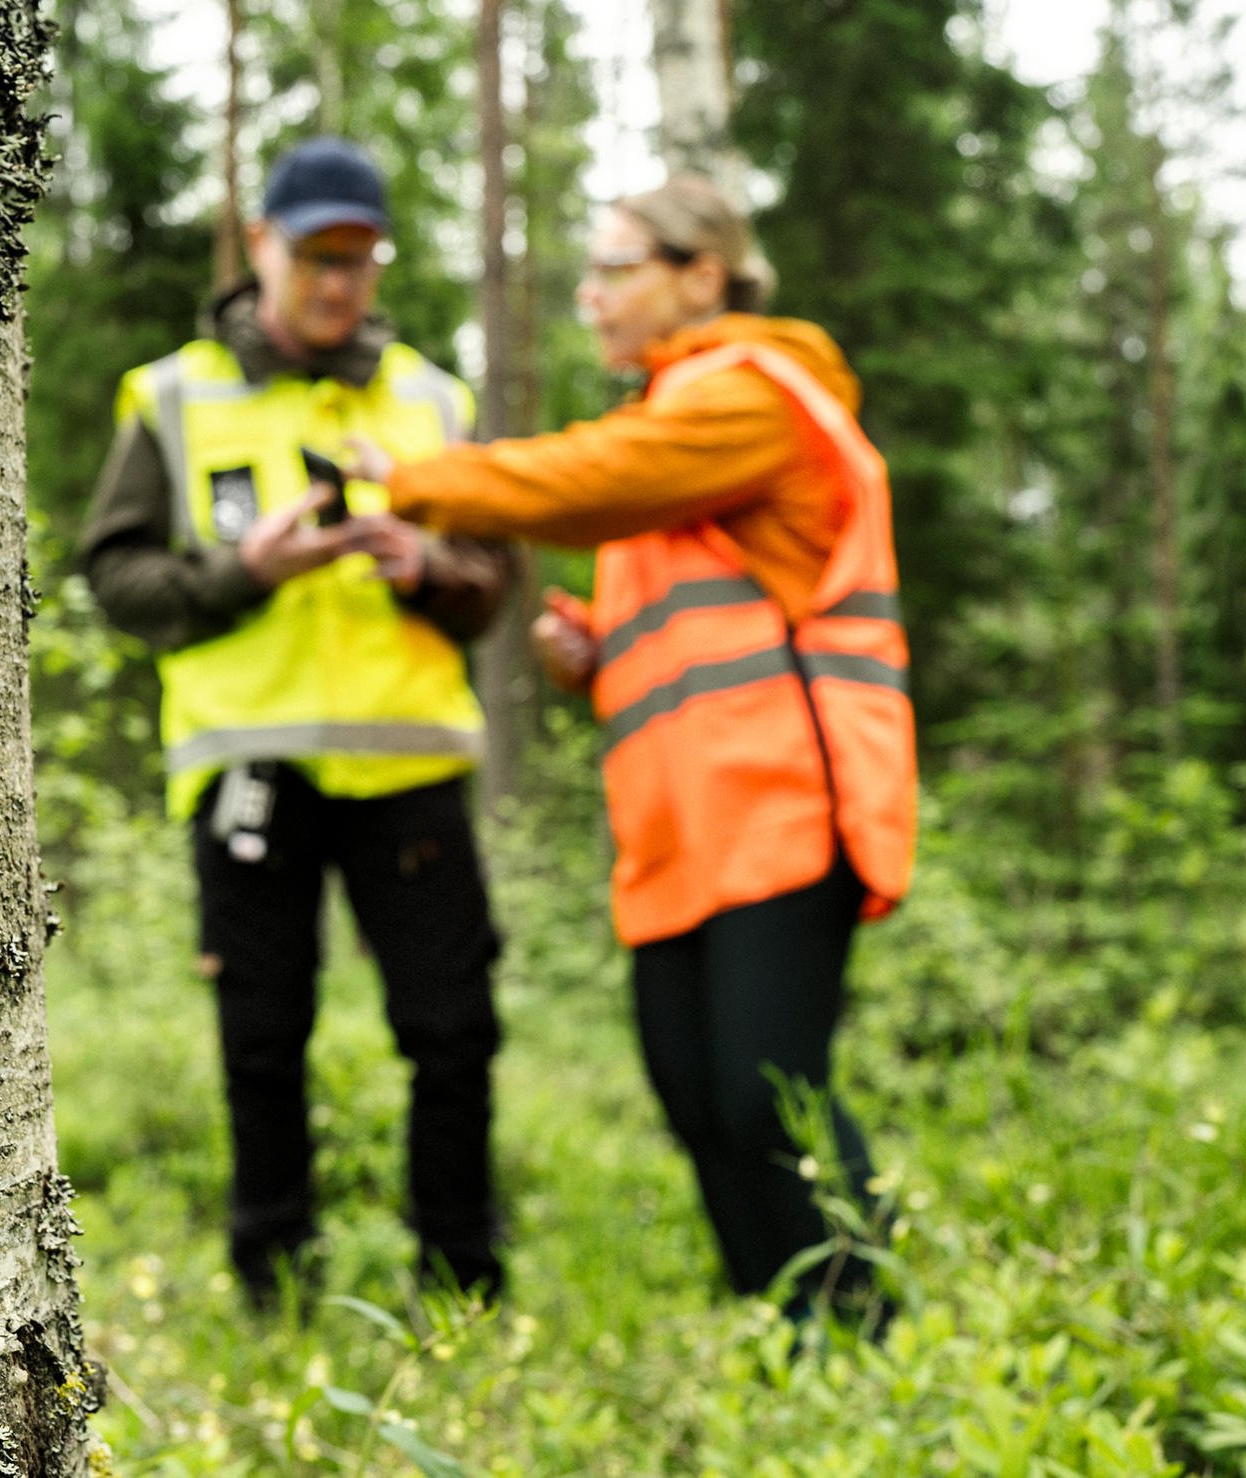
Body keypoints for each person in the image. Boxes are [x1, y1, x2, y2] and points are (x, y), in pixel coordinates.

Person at [346, 175, 915, 1321]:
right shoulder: (675, 415)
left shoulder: (751, 394)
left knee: (767, 1096)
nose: (590, 296)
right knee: (697, 1099)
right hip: (674, 837)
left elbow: (589, 479)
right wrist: (597, 650)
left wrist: (414, 479)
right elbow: (719, 606)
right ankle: (779, 1331)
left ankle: (866, 1338)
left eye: (613, 269)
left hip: (784, 809)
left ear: (699, 274)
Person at [80, 137, 514, 1302]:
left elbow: (488, 586)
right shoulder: (170, 396)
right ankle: (273, 1293)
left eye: (362, 258)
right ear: (262, 244)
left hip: (410, 768)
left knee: (452, 1032)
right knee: (262, 1040)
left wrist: (424, 562)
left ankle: (461, 1286)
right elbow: (117, 581)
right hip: (247, 772)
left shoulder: (430, 398)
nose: (339, 282)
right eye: (317, 254)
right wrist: (243, 569)